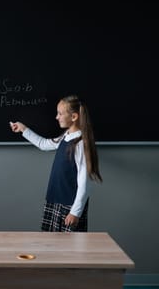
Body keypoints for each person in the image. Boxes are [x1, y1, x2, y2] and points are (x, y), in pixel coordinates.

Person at [10, 95, 102, 232]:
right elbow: (44, 144)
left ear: (74, 117)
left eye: (60, 113)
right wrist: (24, 129)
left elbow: (85, 182)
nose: (56, 117)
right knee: (54, 245)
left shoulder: (81, 144)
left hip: (69, 206)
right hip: (56, 200)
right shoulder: (66, 136)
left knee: (69, 249)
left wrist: (75, 212)